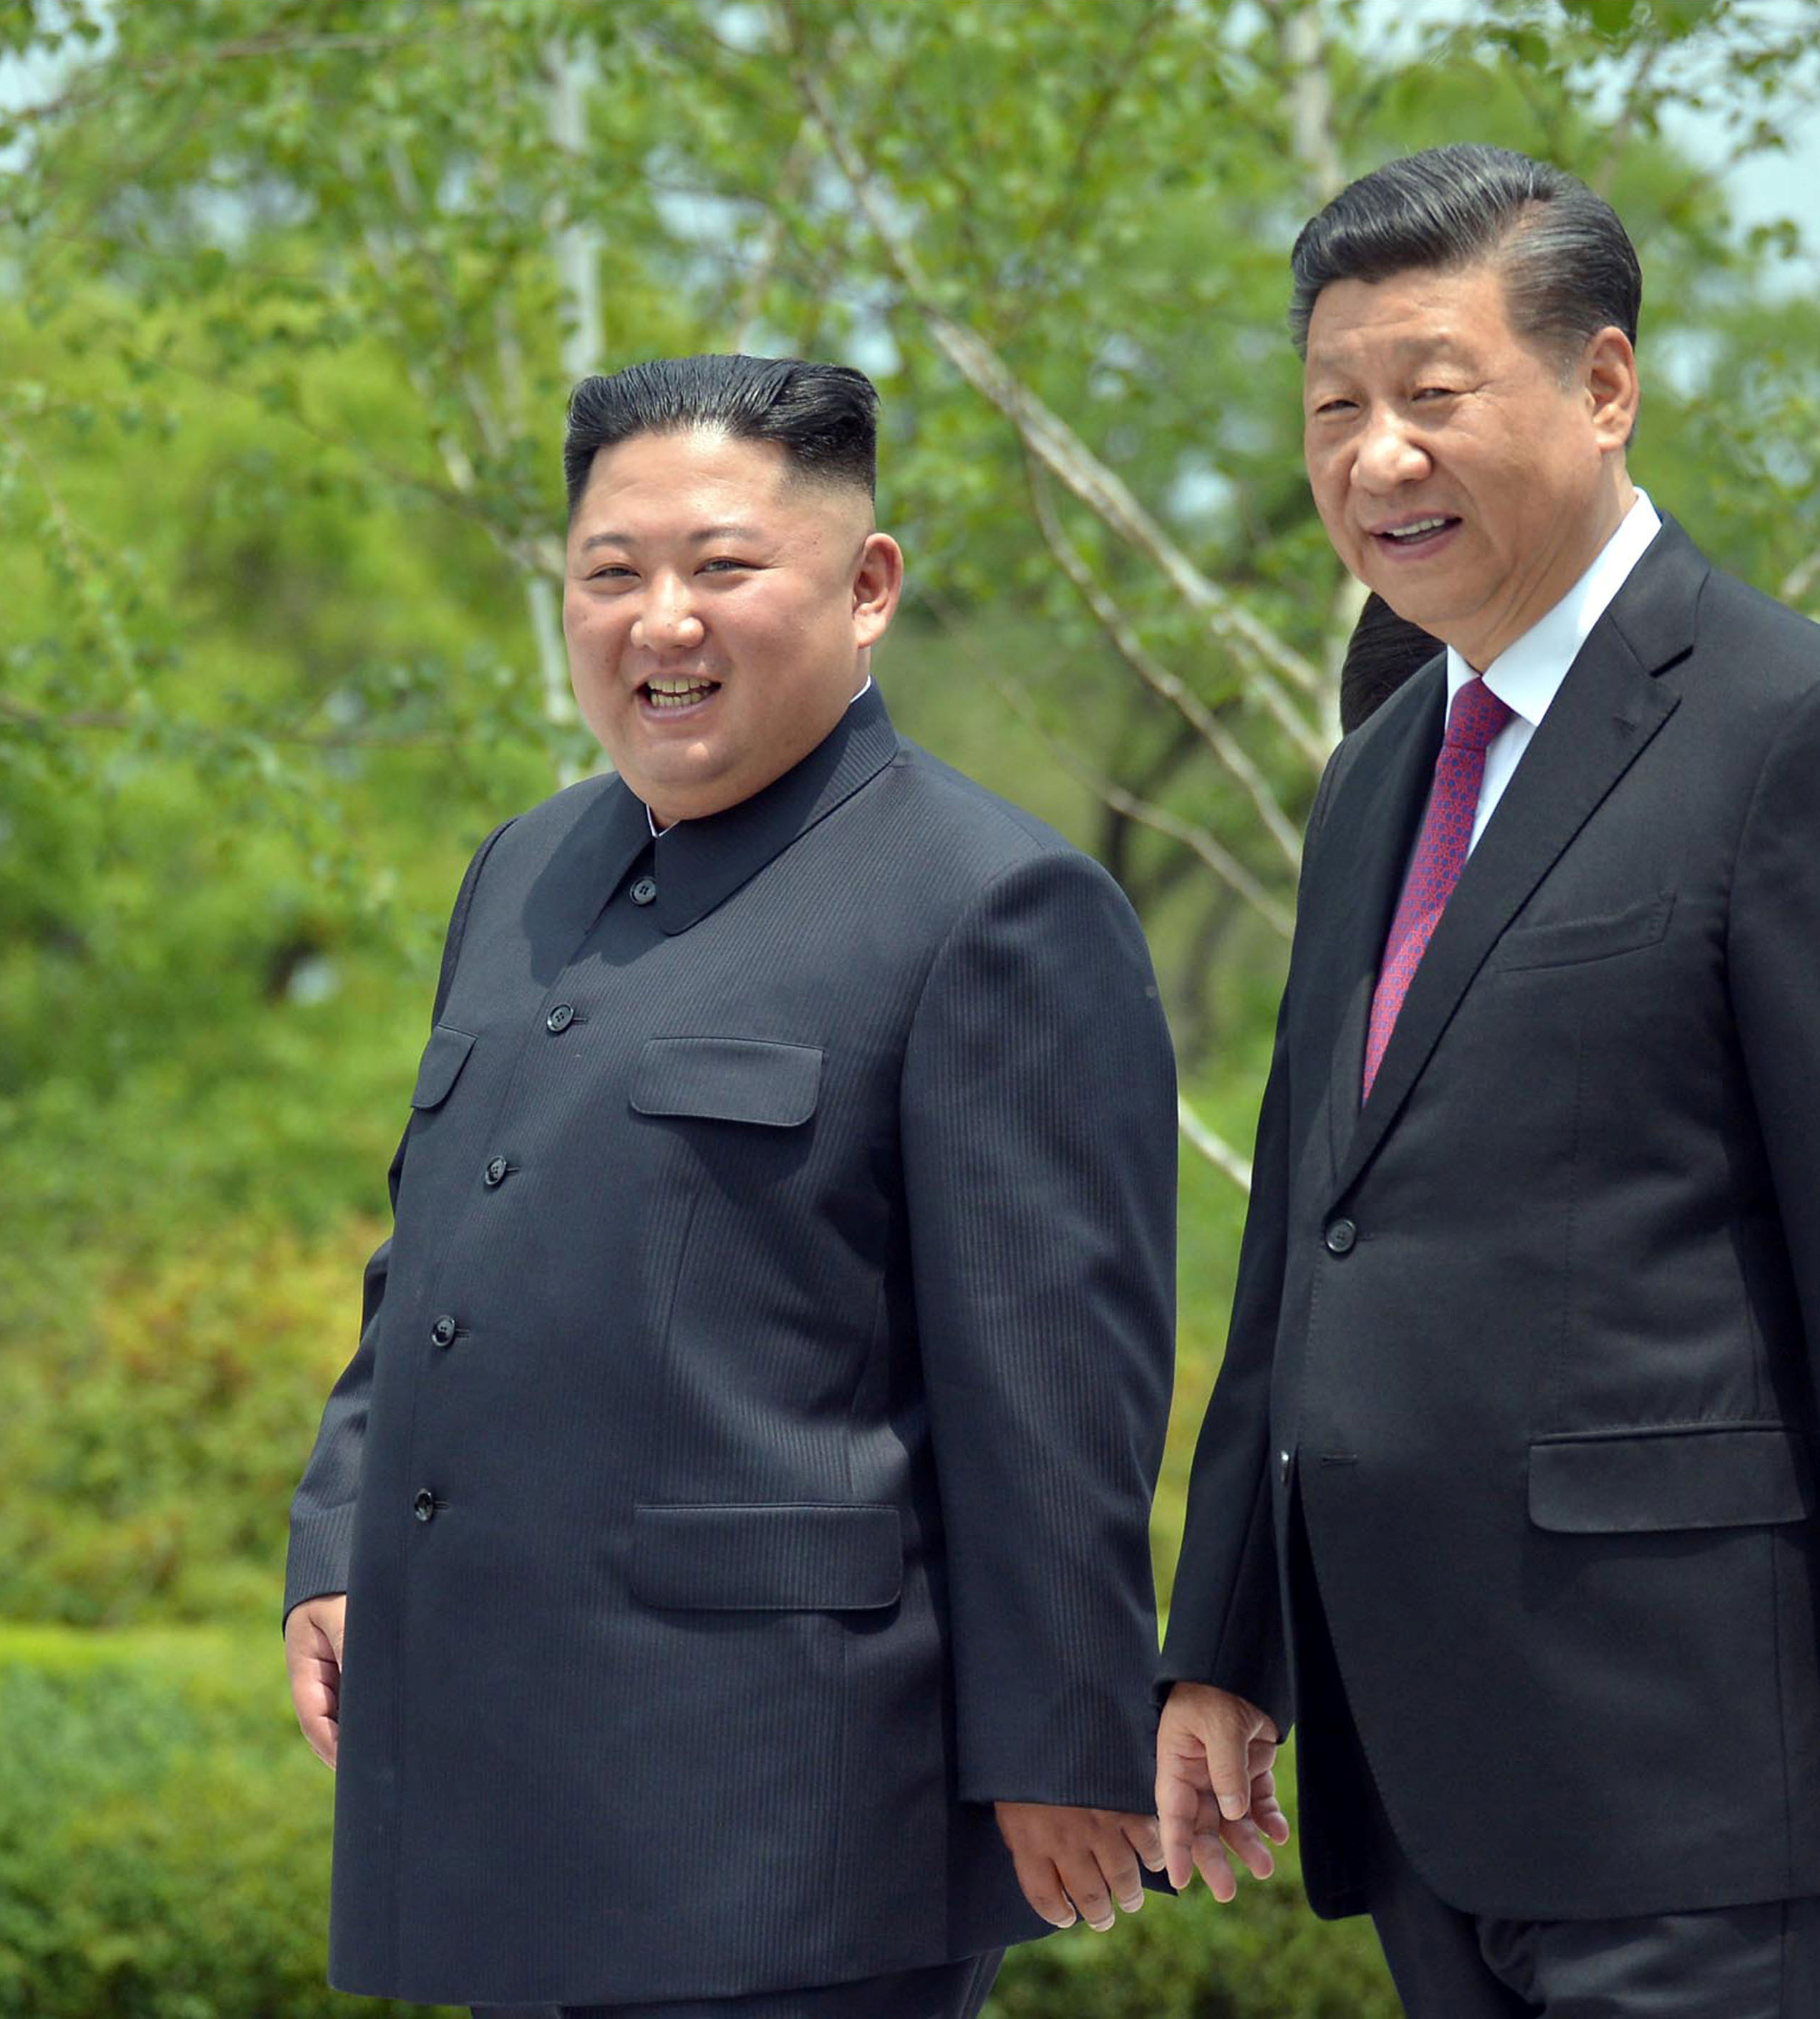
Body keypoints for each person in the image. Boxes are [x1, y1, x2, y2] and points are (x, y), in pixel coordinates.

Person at [1155, 145, 1820, 2019]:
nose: (1373, 458)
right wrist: (1223, 1637)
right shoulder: (1374, 773)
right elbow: (1308, 1242)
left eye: (1432, 395)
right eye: (1334, 408)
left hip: (1696, 1759)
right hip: (1419, 1743)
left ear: (1601, 387)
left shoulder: (1809, 734)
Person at [279, 354, 1178, 2018]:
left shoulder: (992, 907)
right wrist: (336, 1537)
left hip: (792, 1823)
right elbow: (435, 1261)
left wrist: (1061, 1742)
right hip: (503, 1785)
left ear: (866, 586)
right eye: (609, 575)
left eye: (721, 568)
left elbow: (1055, 1387)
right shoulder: (522, 867)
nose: (659, 622)